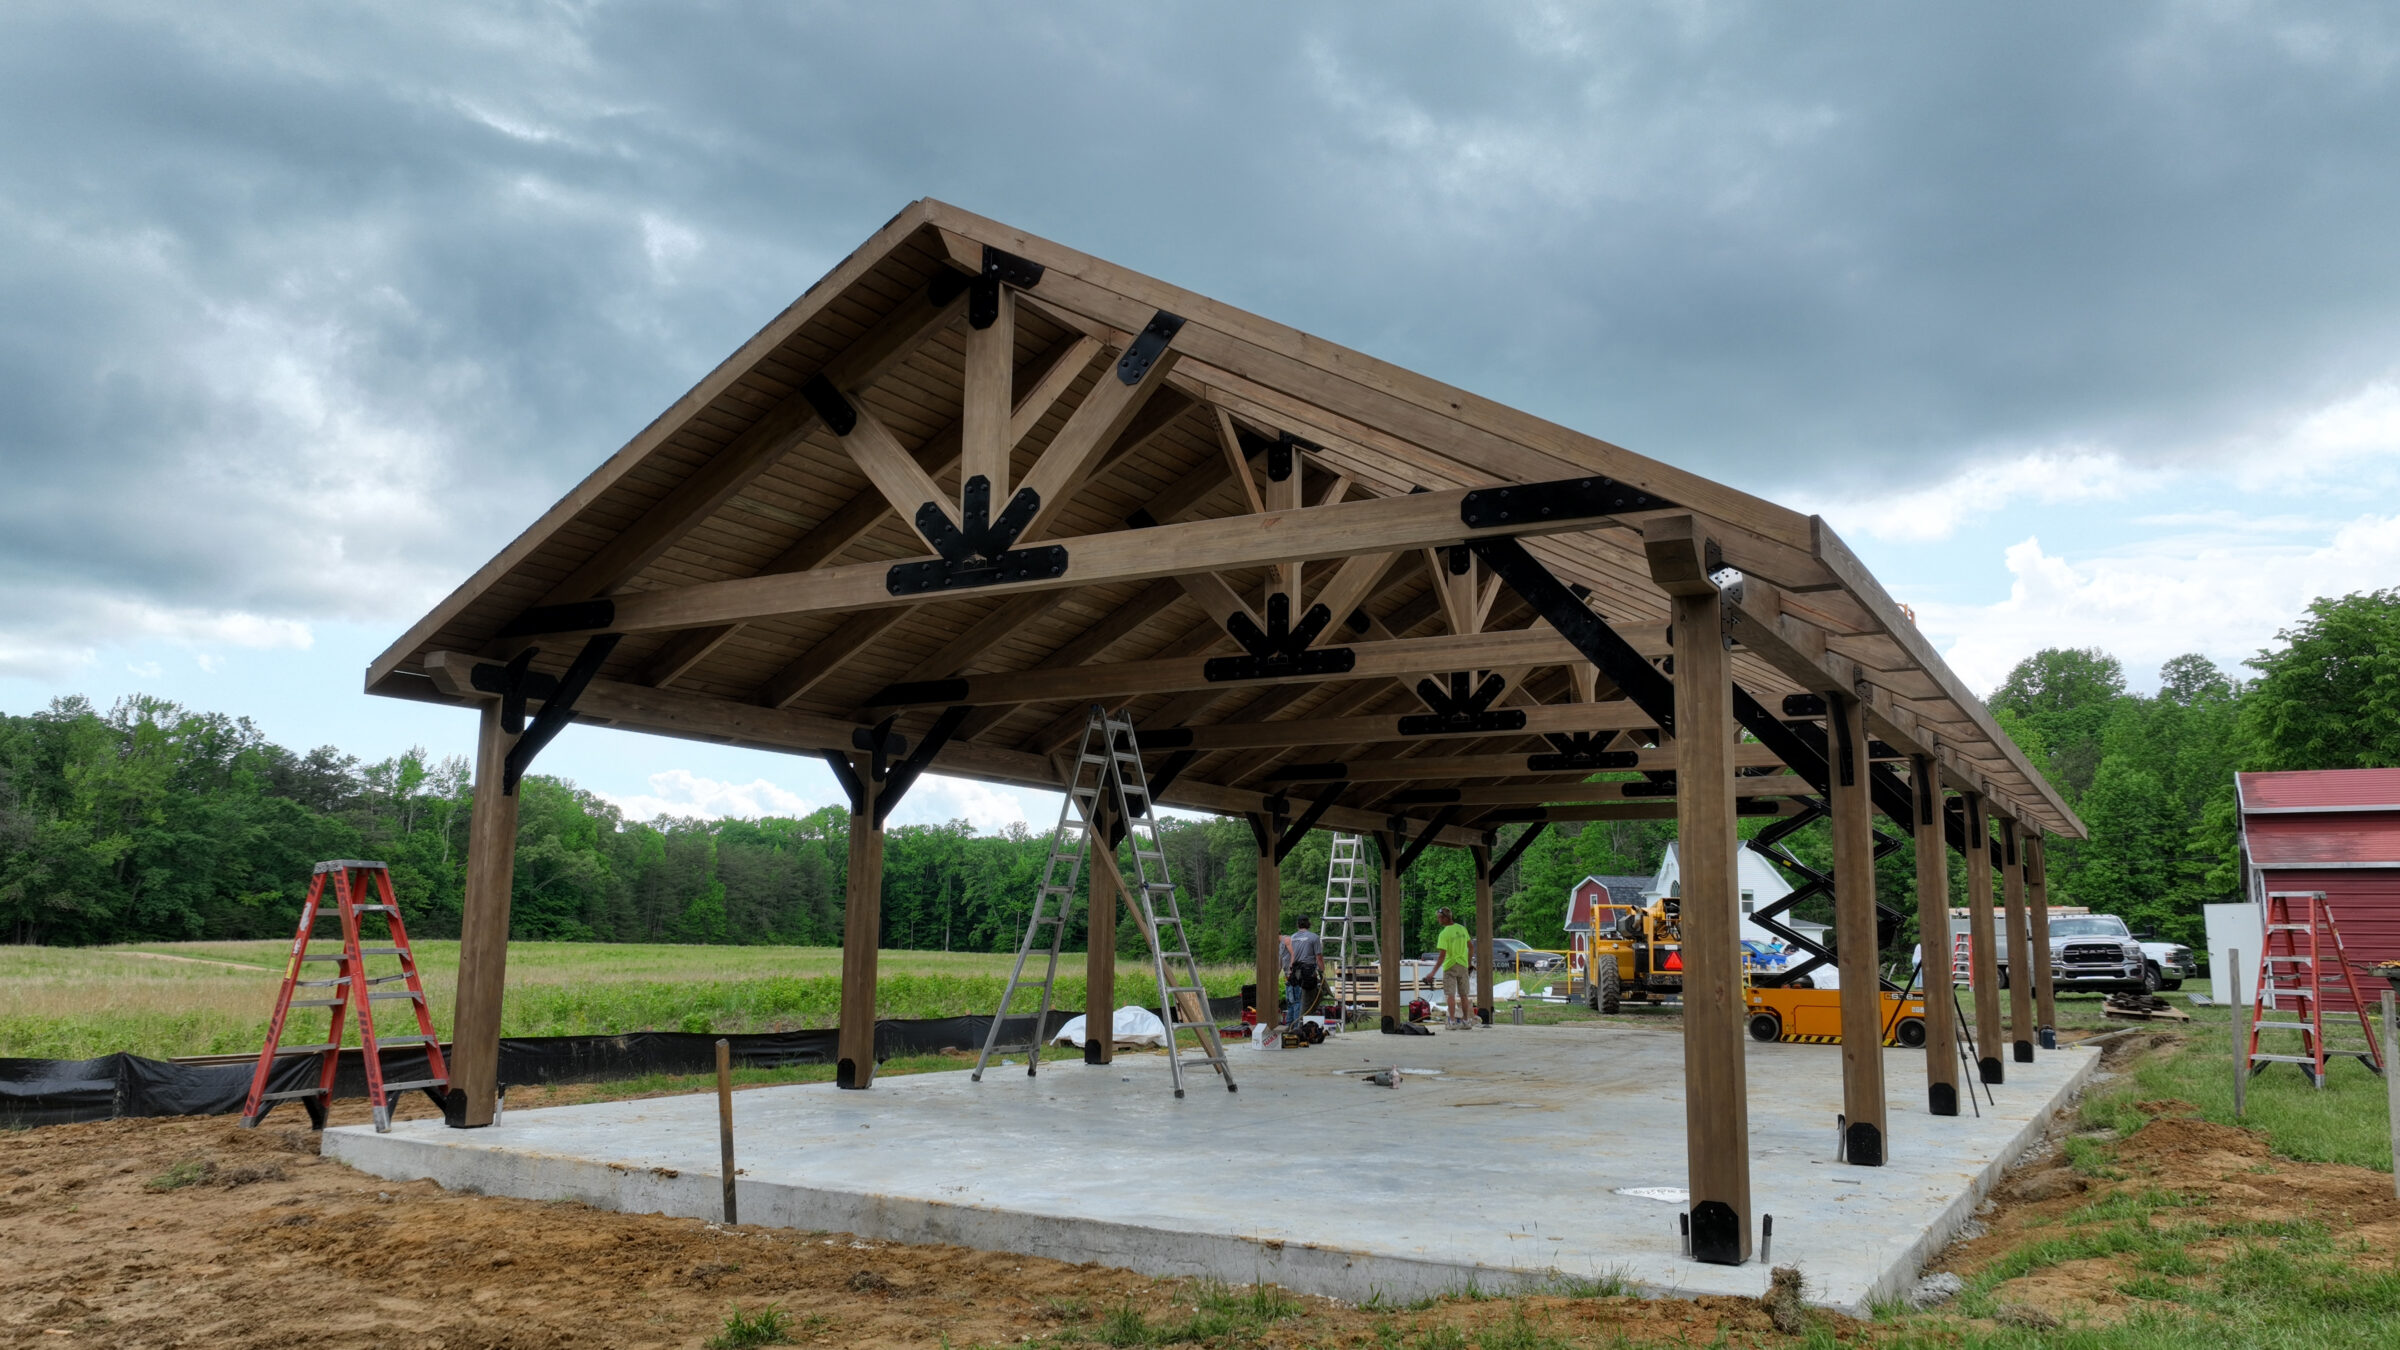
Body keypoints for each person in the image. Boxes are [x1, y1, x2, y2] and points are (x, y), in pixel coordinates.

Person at [1429, 907, 1475, 1029]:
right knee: (1464, 994)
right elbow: (1471, 947)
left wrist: (1432, 973)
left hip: (1450, 966)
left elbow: (1442, 956)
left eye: (1439, 918)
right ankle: (1466, 1021)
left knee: (1450, 995)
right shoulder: (1462, 929)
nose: (1438, 920)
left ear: (1445, 918)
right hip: (1463, 965)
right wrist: (1469, 963)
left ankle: (1452, 1022)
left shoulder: (1444, 934)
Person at [1285, 918, 1322, 1025]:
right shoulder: (1314, 937)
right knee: (1308, 999)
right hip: (1308, 973)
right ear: (1309, 924)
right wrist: (1322, 971)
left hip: (1296, 973)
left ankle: (1298, 1024)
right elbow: (1318, 957)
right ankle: (1302, 1025)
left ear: (1298, 925)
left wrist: (1290, 972)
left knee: (1297, 1001)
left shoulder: (1292, 938)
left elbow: (1291, 957)